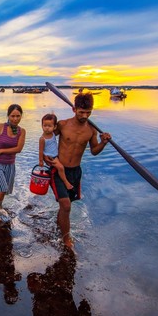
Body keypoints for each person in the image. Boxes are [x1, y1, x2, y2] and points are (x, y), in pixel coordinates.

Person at [53, 93, 111, 249]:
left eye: (88, 113)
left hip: (75, 172)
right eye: (81, 112)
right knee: (66, 206)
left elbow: (94, 151)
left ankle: (59, 226)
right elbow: (47, 139)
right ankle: (66, 240)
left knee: (65, 206)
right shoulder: (63, 125)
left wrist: (103, 142)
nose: (85, 116)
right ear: (74, 109)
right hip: (59, 170)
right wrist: (48, 159)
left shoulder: (91, 131)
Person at [38, 113, 73, 190]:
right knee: (61, 168)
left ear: (55, 127)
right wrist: (41, 161)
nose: (47, 128)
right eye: (45, 126)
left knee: (59, 168)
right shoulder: (42, 139)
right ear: (42, 126)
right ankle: (66, 183)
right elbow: (40, 151)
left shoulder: (53, 134)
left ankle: (54, 174)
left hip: (55, 156)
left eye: (49, 126)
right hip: (51, 157)